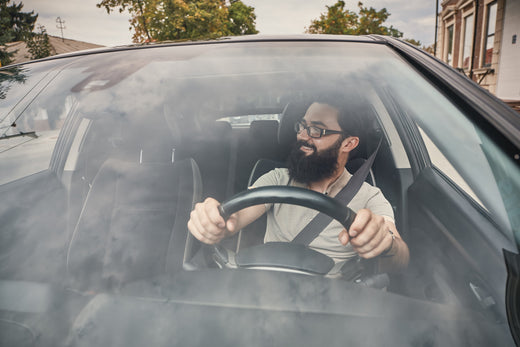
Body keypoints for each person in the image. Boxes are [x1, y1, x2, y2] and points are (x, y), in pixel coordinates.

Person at [188, 98, 409, 274]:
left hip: (333, 301)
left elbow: (399, 257)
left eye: (317, 130)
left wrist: (385, 244)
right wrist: (213, 222)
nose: (302, 136)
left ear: (348, 143)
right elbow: (234, 219)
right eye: (302, 126)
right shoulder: (277, 179)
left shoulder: (370, 198)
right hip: (269, 289)